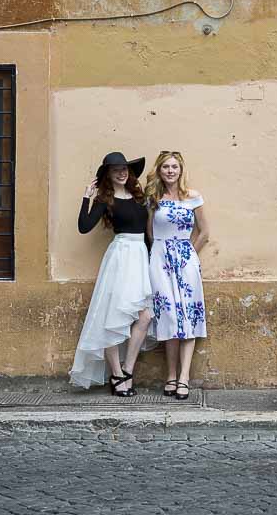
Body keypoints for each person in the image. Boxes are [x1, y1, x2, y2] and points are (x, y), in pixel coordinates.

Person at [69, 151, 153, 396]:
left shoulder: (139, 197)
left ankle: (127, 370)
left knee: (145, 316)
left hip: (140, 257)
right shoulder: (105, 199)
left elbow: (148, 233)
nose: (122, 172)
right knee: (113, 317)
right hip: (120, 257)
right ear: (108, 174)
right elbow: (84, 227)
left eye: (124, 168)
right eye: (116, 169)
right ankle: (116, 375)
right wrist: (87, 197)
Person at [146, 151, 209, 401]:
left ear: (181, 170)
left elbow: (204, 233)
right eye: (165, 167)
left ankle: (184, 378)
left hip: (186, 260)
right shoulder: (154, 198)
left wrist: (187, 254)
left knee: (188, 314)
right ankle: (170, 376)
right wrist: (162, 254)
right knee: (169, 315)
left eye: (174, 167)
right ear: (159, 171)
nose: (170, 171)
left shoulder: (193, 197)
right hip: (160, 260)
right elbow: (150, 233)